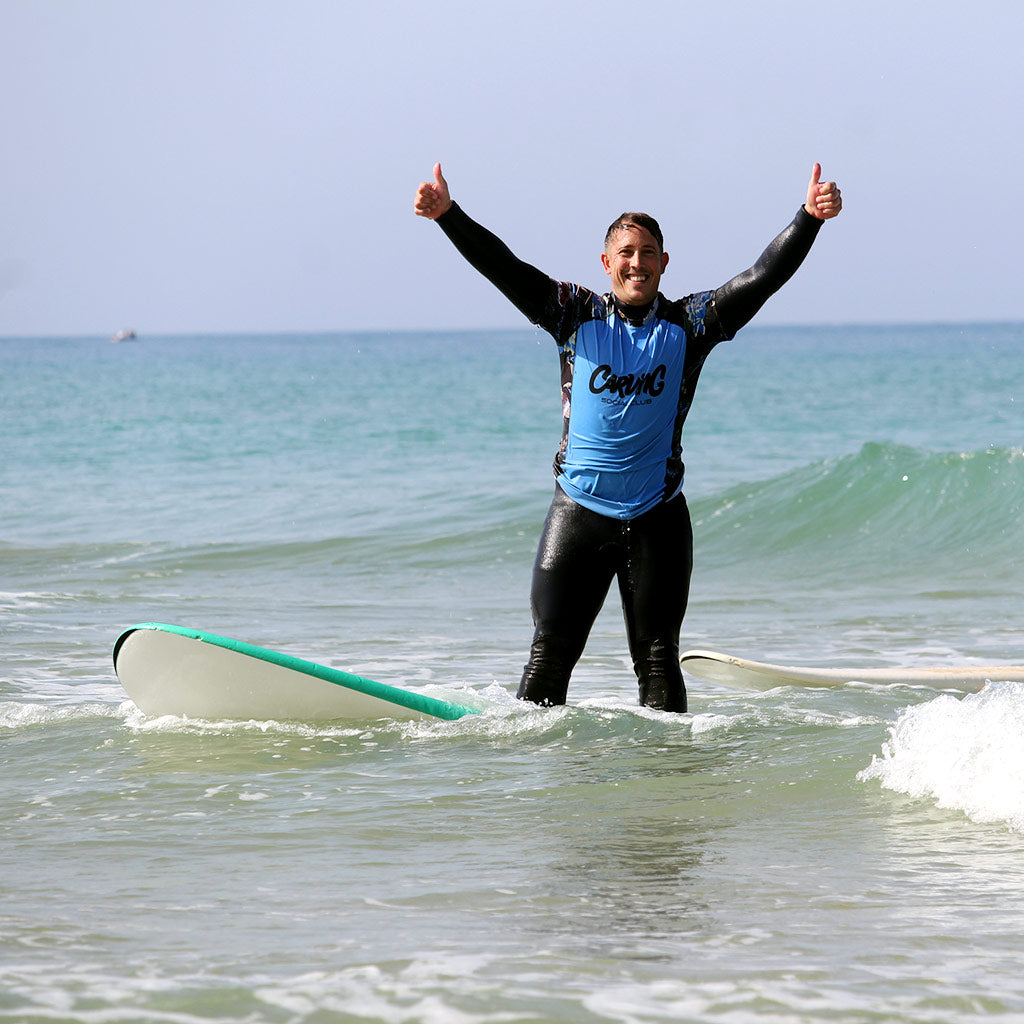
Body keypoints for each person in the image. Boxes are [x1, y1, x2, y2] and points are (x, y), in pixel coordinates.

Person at [414, 162, 842, 712]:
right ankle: (536, 786)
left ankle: (667, 787)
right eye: (625, 253)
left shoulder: (691, 324)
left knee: (659, 659)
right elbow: (507, 270)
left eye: (647, 254)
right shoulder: (573, 314)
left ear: (664, 263)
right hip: (579, 512)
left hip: (657, 516)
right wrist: (449, 215)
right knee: (548, 658)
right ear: (607, 263)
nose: (636, 263)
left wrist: (808, 218)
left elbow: (761, 277)